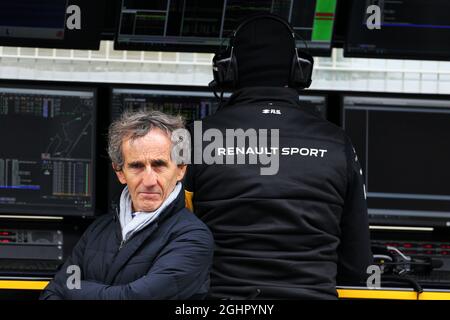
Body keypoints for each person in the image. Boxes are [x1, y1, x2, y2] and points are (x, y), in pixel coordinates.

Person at [184, 14, 373, 299]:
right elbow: (357, 265)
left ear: (227, 70)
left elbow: (172, 244)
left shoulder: (193, 139)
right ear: (299, 70)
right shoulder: (337, 143)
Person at [41, 110, 214, 300]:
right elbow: (53, 291)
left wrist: (74, 292)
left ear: (181, 169)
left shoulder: (193, 238)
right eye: (136, 166)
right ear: (120, 172)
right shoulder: (99, 229)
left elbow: (131, 298)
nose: (149, 180)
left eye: (159, 165)